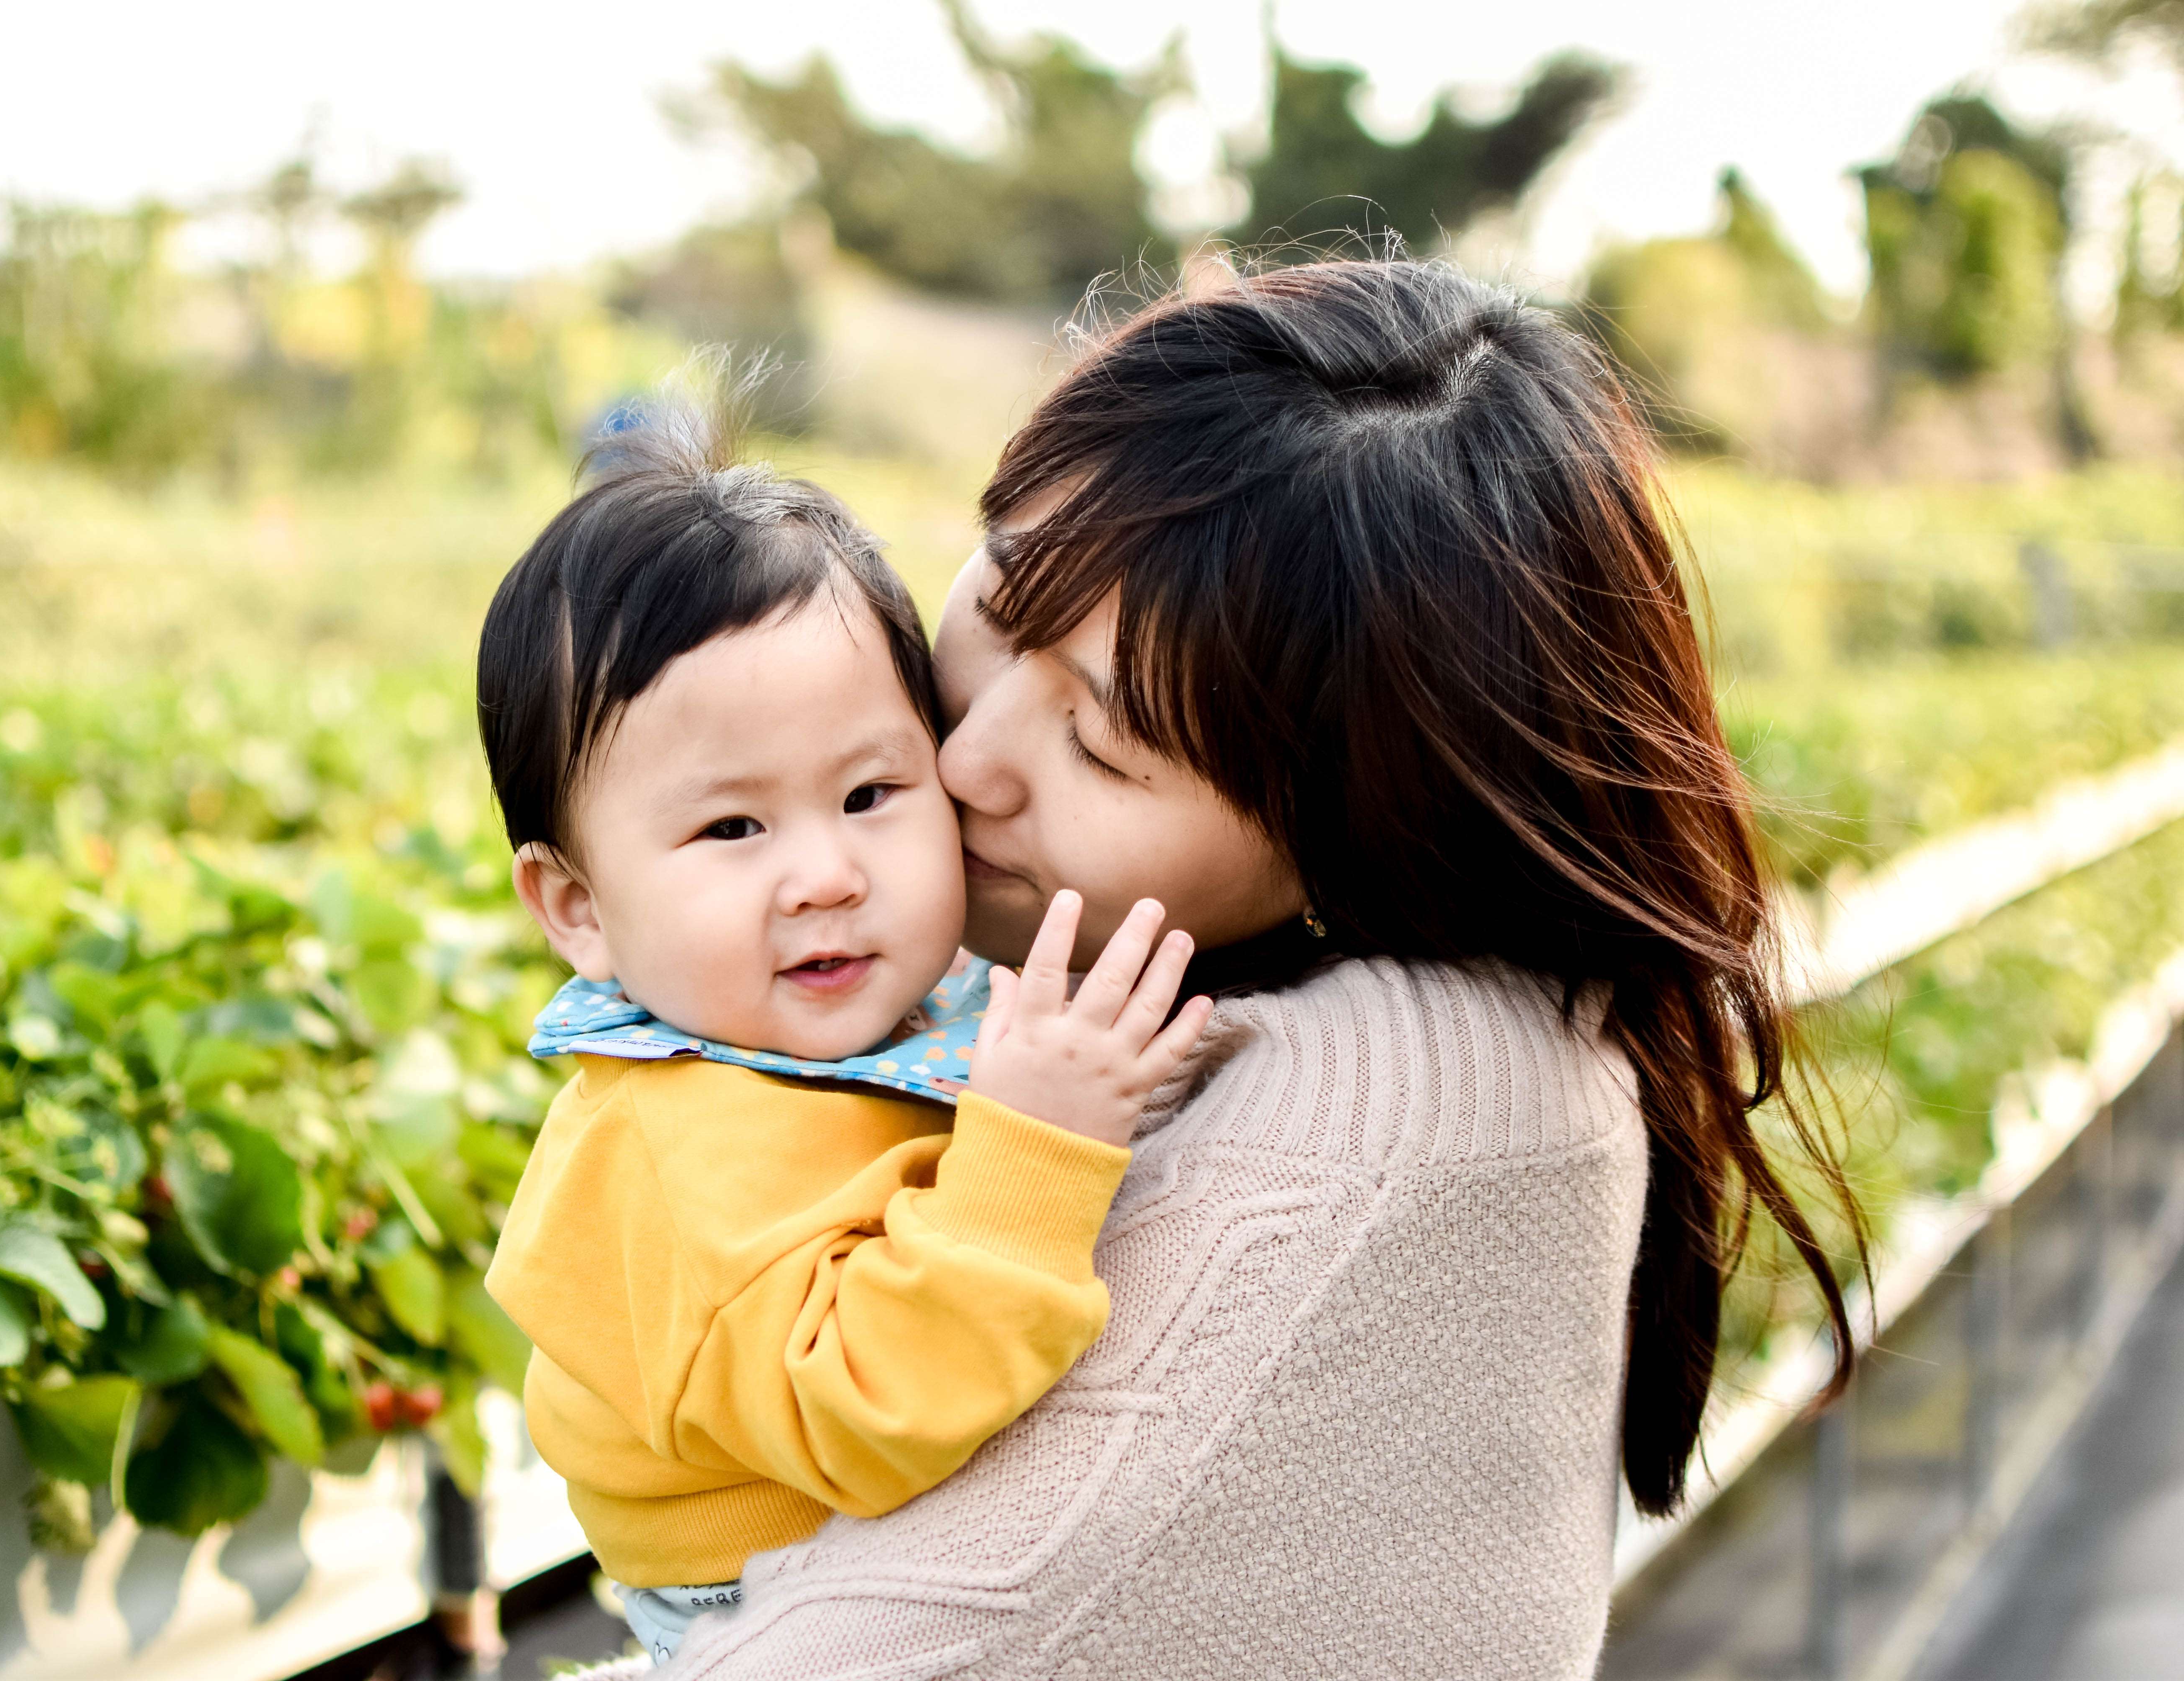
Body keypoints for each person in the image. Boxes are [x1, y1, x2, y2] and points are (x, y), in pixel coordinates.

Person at [642, 257, 1866, 1678]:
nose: (966, 761)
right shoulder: (1180, 994)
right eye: (1003, 600)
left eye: (1102, 747)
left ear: (1368, 836)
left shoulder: (1402, 1104)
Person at [473, 418, 1213, 1663]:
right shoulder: (673, 1154)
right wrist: (1039, 1149)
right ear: (580, 909)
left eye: (872, 796)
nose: (824, 875)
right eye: (730, 830)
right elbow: (867, 1410)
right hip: (774, 1605)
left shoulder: (894, 1000)